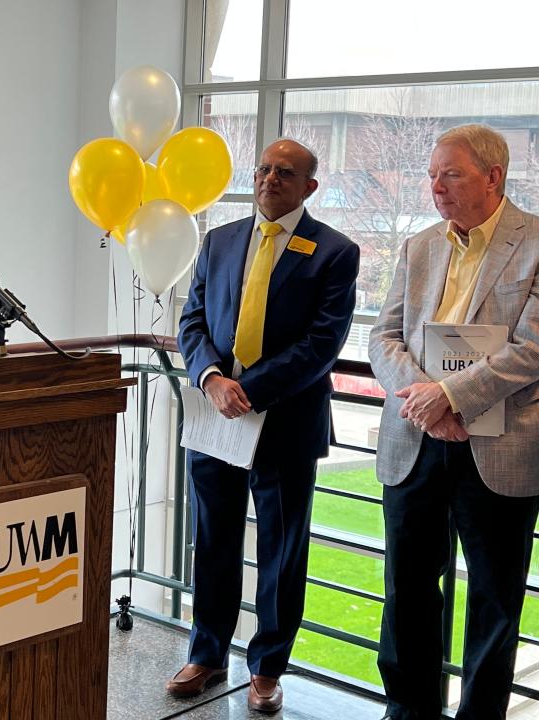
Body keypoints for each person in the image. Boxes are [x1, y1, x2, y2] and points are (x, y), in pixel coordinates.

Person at [173, 139, 359, 712]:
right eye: (264, 169)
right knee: (213, 540)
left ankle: (268, 668)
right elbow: (192, 320)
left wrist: (248, 389)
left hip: (285, 422)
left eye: (285, 172)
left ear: (309, 187)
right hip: (216, 419)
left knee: (282, 552)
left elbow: (322, 345)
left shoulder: (335, 251)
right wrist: (211, 378)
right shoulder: (219, 240)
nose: (270, 179)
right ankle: (207, 653)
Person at [369, 124, 539, 720]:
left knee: (494, 598)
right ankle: (409, 709)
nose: (435, 186)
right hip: (416, 440)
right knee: (407, 588)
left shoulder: (538, 241)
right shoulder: (419, 246)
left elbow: (533, 348)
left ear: (493, 177)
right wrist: (423, 401)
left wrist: (448, 394)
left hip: (499, 447)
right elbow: (382, 335)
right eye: (433, 174)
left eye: (451, 174)